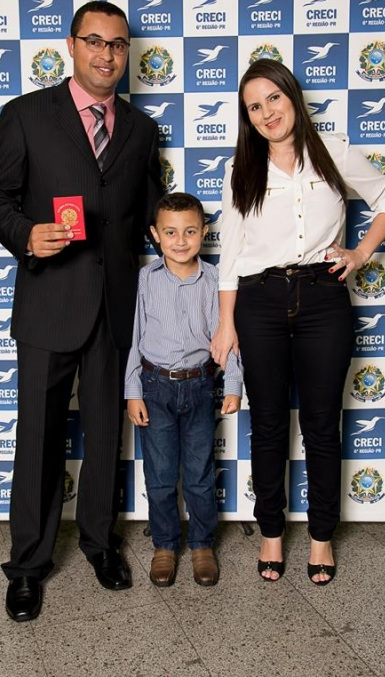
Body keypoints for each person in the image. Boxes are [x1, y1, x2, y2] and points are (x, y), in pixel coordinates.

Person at [0, 0, 163, 621]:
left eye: (118, 44)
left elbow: (149, 211)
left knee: (106, 431)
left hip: (115, 305)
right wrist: (26, 235)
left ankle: (100, 543)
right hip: (49, 299)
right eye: (95, 41)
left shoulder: (140, 128)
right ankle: (27, 565)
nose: (107, 54)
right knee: (38, 436)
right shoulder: (26, 114)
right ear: (71, 45)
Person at [211, 59, 385, 586]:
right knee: (269, 424)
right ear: (248, 118)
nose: (267, 113)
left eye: (273, 98)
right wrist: (226, 323)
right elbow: (231, 255)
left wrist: (360, 253)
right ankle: (271, 533)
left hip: (323, 298)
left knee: (321, 424)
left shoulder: (332, 151)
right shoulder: (241, 169)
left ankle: (321, 537)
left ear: (292, 96)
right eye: (254, 107)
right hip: (259, 301)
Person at [125, 192, 242, 587]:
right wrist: (132, 391)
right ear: (155, 234)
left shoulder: (216, 280)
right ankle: (164, 545)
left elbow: (227, 335)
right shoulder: (145, 279)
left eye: (190, 232)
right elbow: (134, 338)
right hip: (154, 387)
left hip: (199, 386)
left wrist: (233, 382)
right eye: (171, 232)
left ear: (204, 233)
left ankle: (202, 545)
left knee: (199, 473)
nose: (180, 241)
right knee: (159, 475)